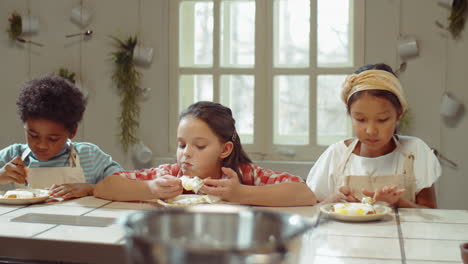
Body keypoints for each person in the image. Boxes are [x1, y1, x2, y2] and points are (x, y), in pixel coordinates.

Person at [94, 101, 317, 206]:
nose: (186, 154)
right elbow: (105, 186)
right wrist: (150, 189)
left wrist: (242, 194)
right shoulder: (170, 175)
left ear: (225, 149)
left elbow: (304, 193)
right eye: (181, 145)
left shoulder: (243, 176)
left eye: (199, 146)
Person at [306, 63, 441, 208]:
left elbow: (431, 213)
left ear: (399, 114)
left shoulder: (415, 151)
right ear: (350, 114)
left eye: (382, 120)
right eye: (360, 119)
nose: (371, 130)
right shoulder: (336, 155)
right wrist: (332, 201)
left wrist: (398, 202)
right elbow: (311, 210)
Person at [0, 75, 123, 199]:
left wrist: (91, 189)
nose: (41, 145)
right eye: (33, 135)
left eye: (53, 139)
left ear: (72, 132)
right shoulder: (13, 155)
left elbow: (126, 186)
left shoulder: (89, 156)